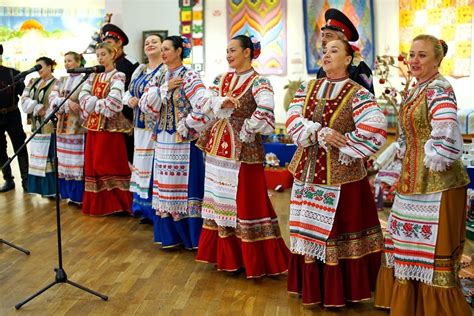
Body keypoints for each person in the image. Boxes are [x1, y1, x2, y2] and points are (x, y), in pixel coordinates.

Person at [285, 39, 387, 307]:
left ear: (348, 59)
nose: (327, 55)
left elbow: (375, 129)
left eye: (334, 51)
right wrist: (317, 132)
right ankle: (313, 286)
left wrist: (345, 141)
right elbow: (292, 120)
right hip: (308, 173)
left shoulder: (359, 93)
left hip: (341, 177)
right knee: (309, 230)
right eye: (325, 50)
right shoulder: (308, 88)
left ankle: (342, 290)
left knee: (339, 230)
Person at [374, 35, 471, 316]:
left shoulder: (439, 88)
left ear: (438, 59)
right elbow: (406, 136)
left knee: (434, 251)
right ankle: (410, 305)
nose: (414, 61)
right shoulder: (416, 89)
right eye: (412, 55)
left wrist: (435, 155)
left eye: (422, 55)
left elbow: (447, 128)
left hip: (439, 186)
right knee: (404, 244)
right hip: (411, 183)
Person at [194, 34, 290, 278]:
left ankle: (252, 258)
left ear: (247, 52)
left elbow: (266, 109)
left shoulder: (259, 82)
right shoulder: (222, 78)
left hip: (244, 150)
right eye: (227, 50)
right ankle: (226, 256)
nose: (228, 55)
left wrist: (248, 127)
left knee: (246, 200)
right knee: (219, 199)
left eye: (233, 50)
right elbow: (203, 100)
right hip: (218, 147)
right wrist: (220, 100)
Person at [139, 36, 206, 249]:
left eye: (167, 49)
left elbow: (203, 104)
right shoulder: (159, 77)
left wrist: (188, 123)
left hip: (184, 143)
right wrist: (163, 89)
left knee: (184, 188)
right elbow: (144, 104)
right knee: (165, 189)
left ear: (179, 51)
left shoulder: (190, 76)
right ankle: (169, 236)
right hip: (163, 141)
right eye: (163, 49)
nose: (164, 53)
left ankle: (189, 237)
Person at [79, 42, 133, 216]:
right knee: (92, 164)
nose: (100, 58)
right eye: (98, 55)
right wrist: (95, 103)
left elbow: (114, 102)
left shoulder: (118, 75)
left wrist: (94, 102)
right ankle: (101, 205)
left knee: (107, 164)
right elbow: (83, 98)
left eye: (103, 54)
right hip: (94, 127)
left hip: (110, 128)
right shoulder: (93, 76)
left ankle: (119, 203)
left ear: (112, 54)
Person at [123, 34, 165, 223]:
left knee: (154, 166)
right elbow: (127, 93)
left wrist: (141, 101)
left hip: (156, 127)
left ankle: (155, 209)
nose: (149, 45)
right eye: (147, 43)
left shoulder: (164, 71)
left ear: (163, 46)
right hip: (139, 126)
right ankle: (141, 208)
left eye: (154, 42)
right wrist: (129, 100)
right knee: (141, 166)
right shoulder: (140, 70)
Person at [48, 51, 87, 204]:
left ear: (78, 62)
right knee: (64, 162)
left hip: (77, 126)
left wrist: (63, 101)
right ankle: (68, 195)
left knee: (76, 162)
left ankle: (79, 196)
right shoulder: (61, 80)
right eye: (65, 61)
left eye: (70, 61)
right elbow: (52, 98)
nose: (67, 64)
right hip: (62, 126)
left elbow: (83, 100)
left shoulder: (85, 79)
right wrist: (67, 102)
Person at [20, 57, 59, 197]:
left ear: (49, 66)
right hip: (36, 127)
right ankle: (42, 190)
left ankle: (53, 190)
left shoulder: (57, 83)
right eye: (36, 67)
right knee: (37, 158)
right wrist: (37, 106)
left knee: (50, 157)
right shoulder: (32, 82)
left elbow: (53, 106)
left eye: (40, 66)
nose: (38, 70)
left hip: (49, 126)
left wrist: (37, 106)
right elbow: (23, 102)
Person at [101, 23, 139, 163]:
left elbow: (134, 90)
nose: (107, 46)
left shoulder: (131, 63)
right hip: (106, 118)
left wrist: (128, 116)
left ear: (120, 43)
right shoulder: (102, 66)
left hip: (125, 117)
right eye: (105, 43)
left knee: (126, 156)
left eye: (110, 43)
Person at [317, 8, 374, 94]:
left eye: (329, 35)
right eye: (323, 35)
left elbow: (369, 103)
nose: (323, 39)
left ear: (343, 40)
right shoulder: (322, 70)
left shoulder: (361, 69)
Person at [0, 44, 28, 192]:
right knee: (0, 149)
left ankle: (26, 180)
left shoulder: (13, 73)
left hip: (12, 115)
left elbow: (24, 95)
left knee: (20, 146)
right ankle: (8, 180)